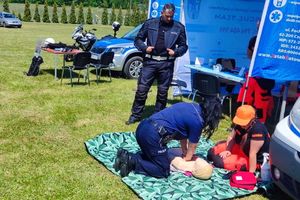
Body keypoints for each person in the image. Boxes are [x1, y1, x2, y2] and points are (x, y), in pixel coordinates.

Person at [114, 97, 222, 178]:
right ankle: (132, 161)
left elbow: (183, 134)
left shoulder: (191, 106)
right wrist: (187, 159)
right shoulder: (198, 121)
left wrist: (184, 150)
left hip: (142, 128)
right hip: (152, 136)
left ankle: (126, 156)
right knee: (162, 170)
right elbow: (192, 147)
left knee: (155, 157)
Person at [126, 3, 188, 125]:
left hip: (166, 64)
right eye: (167, 16)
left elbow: (183, 46)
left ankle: (158, 117)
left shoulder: (178, 27)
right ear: (162, 13)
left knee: (162, 92)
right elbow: (138, 39)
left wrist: (175, 52)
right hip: (150, 62)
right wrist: (144, 48)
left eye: (171, 16)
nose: (169, 19)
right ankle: (136, 115)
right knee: (142, 90)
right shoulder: (150, 23)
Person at [207, 105, 270, 173]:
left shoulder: (258, 130)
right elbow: (232, 137)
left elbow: (252, 154)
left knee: (218, 161)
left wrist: (250, 174)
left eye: (244, 122)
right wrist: (228, 150)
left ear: (253, 119)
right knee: (211, 152)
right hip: (241, 149)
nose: (241, 125)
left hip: (252, 159)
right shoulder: (239, 125)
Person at [237, 22, 275, 123]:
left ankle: (259, 124)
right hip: (253, 74)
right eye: (259, 27)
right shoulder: (254, 40)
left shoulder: (273, 41)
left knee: (261, 104)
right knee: (248, 99)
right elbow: (249, 54)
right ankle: (244, 120)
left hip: (266, 77)